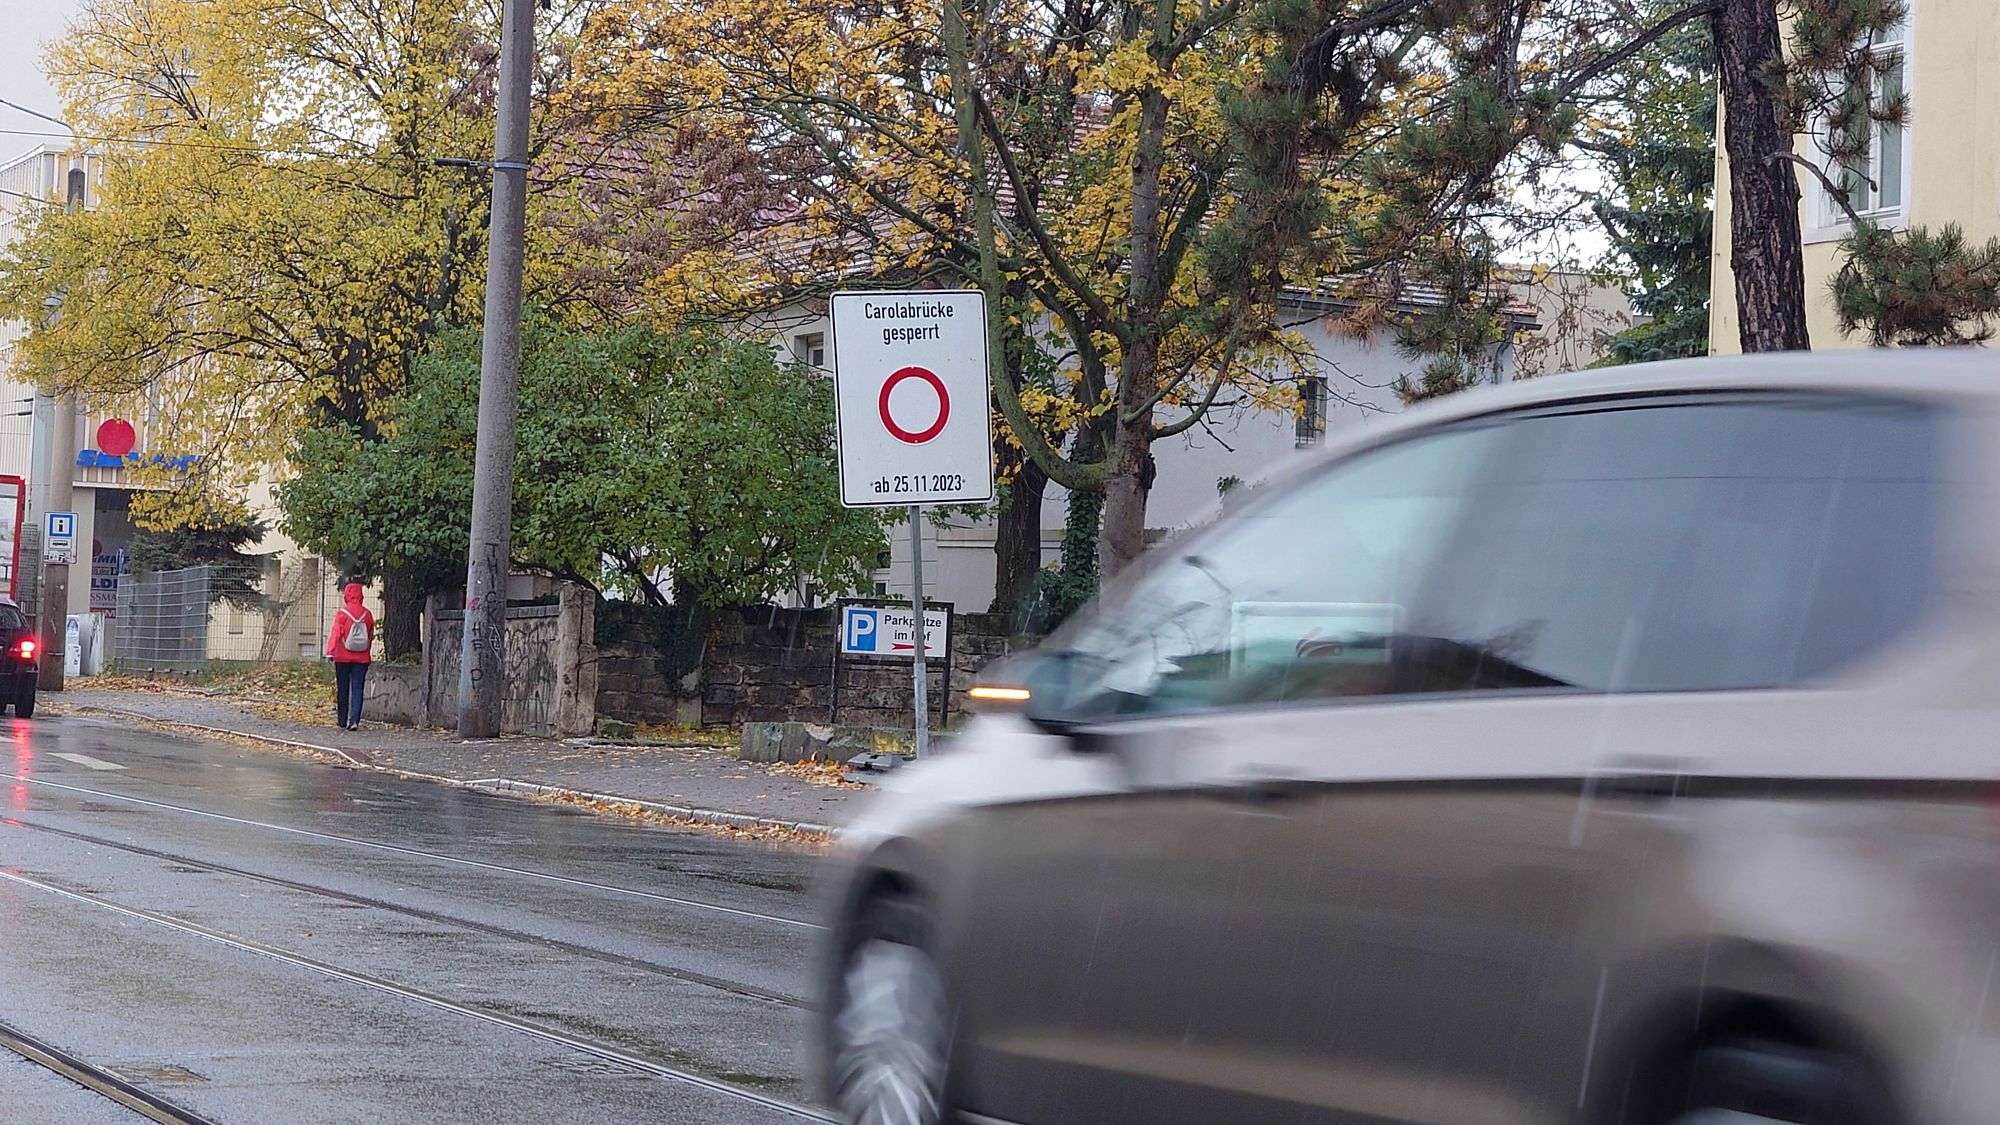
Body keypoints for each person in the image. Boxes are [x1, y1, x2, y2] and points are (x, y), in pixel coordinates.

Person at [326, 582, 375, 730]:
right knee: (358, 687)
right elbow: (370, 636)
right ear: (361, 595)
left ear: (347, 595)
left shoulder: (342, 614)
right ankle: (354, 720)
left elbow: (336, 634)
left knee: (343, 687)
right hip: (362, 658)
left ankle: (342, 720)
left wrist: (330, 652)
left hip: (342, 657)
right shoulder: (367, 615)